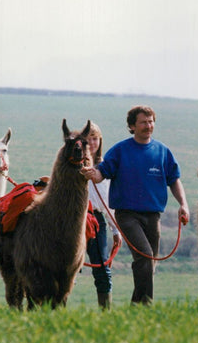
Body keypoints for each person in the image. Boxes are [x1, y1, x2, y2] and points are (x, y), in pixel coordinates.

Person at [81, 106, 189, 305]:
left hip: (153, 215)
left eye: (151, 121)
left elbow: (174, 180)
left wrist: (183, 204)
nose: (148, 126)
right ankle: (146, 306)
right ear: (132, 126)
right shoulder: (120, 151)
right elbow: (100, 174)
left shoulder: (163, 152)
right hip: (127, 215)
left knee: (148, 263)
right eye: (143, 122)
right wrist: (91, 173)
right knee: (145, 256)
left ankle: (135, 306)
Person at [85, 122, 122, 309]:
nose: (92, 142)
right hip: (75, 219)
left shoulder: (104, 167)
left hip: (96, 219)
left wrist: (116, 230)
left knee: (101, 266)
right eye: (88, 139)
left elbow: (107, 203)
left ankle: (105, 311)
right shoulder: (71, 166)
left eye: (95, 138)